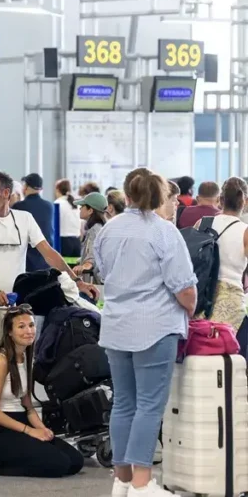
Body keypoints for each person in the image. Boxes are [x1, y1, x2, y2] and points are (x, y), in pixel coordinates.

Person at [94, 168, 197, 497]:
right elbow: (184, 287)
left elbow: (103, 272)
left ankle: (122, 481)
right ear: (159, 196)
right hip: (155, 327)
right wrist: (191, 309)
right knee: (150, 406)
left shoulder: (108, 230)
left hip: (116, 326)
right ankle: (142, 484)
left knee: (123, 403)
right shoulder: (164, 232)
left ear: (126, 195)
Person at [0, 172, 98, 413]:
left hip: (17, 308)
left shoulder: (24, 218)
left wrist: (76, 281)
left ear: (6, 194)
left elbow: (48, 252)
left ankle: (17, 420)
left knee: (19, 368)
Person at [0, 305, 84, 478]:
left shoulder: (26, 358)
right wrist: (30, 431)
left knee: (75, 461)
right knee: (58, 464)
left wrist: (42, 429)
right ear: (10, 332)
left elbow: (28, 407)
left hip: (20, 423)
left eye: (31, 325)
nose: (29, 331)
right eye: (21, 326)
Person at [193, 177, 248, 330]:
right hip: (231, 300)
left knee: (200, 340)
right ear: (245, 201)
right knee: (225, 342)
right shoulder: (245, 231)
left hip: (201, 296)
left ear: (220, 200)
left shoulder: (202, 223)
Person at [12, 174, 54, 272]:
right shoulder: (49, 206)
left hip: (26, 261)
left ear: (26, 187)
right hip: (45, 258)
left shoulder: (18, 206)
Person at [73, 192, 108, 285]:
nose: (80, 208)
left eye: (82, 206)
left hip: (96, 282)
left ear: (90, 210)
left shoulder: (94, 230)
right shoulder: (100, 227)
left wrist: (86, 265)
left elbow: (92, 255)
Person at [54, 179, 81, 257]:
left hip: (63, 242)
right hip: (76, 242)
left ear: (57, 190)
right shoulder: (76, 205)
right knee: (74, 264)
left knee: (62, 264)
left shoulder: (57, 203)